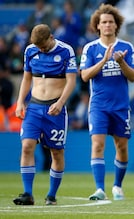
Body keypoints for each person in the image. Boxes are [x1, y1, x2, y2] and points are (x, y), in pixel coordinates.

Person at [13, 24, 77, 205]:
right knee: (26, 146)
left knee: (56, 152)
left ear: (51, 37)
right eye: (38, 47)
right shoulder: (30, 50)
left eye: (43, 46)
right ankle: (27, 194)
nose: (41, 49)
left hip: (55, 108)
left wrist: (60, 103)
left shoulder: (66, 51)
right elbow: (26, 78)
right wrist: (20, 102)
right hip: (34, 106)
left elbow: (71, 81)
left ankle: (51, 195)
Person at [80, 4, 134, 201]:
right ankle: (99, 189)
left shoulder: (126, 47)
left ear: (116, 26)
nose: (107, 25)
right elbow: (85, 76)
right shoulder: (91, 48)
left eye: (110, 22)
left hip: (121, 106)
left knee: (121, 146)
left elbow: (133, 77)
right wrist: (104, 60)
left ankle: (117, 186)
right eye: (103, 22)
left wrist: (121, 62)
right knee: (97, 144)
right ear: (97, 26)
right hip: (98, 106)